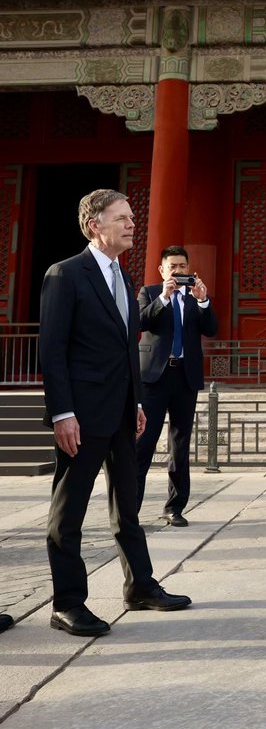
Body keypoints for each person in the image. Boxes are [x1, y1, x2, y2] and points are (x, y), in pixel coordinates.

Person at [39, 188, 191, 637]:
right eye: (121, 218)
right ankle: (67, 602)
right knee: (68, 514)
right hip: (81, 417)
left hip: (124, 412)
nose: (131, 224)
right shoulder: (65, 274)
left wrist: (139, 401)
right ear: (94, 226)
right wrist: (62, 413)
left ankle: (140, 586)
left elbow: (128, 349)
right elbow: (53, 350)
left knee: (128, 506)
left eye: (131, 217)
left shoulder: (125, 279)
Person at [135, 246, 218, 525]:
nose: (178, 271)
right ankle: (129, 509)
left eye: (183, 266)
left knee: (180, 446)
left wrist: (204, 301)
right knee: (143, 443)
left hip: (185, 377)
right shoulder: (149, 292)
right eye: (173, 266)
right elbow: (140, 321)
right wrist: (164, 297)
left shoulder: (196, 297)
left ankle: (175, 507)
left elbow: (212, 329)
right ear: (162, 270)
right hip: (154, 379)